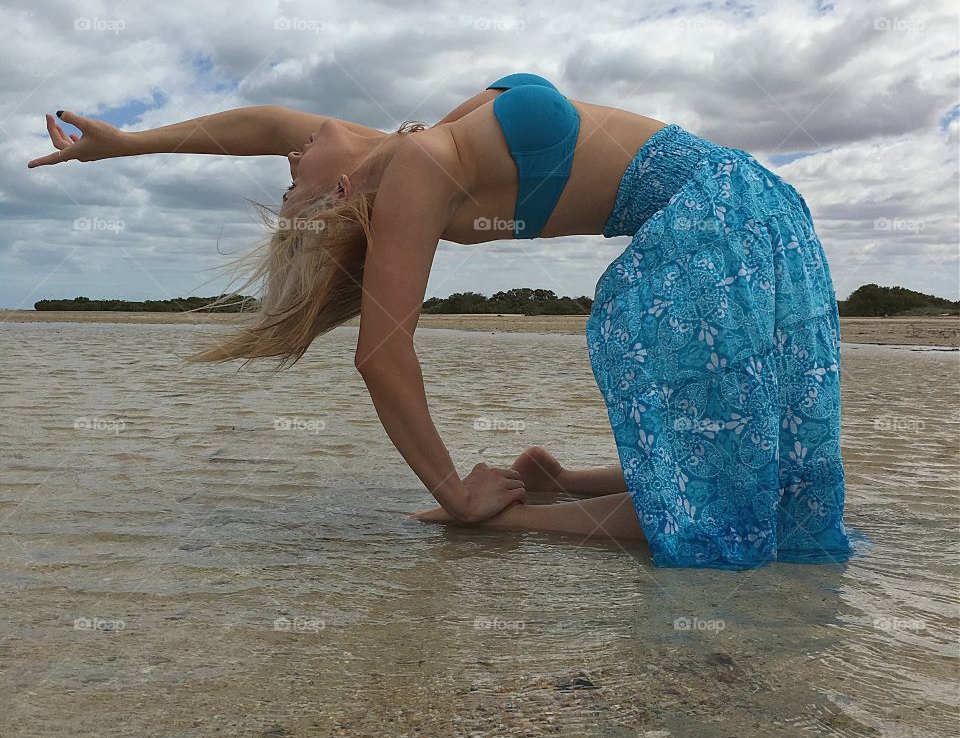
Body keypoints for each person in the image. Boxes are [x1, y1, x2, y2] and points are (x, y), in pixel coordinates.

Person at [31, 72, 853, 568]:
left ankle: (557, 483)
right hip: (714, 225)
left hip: (749, 204)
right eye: (292, 188)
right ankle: (511, 516)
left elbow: (267, 124)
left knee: (766, 476)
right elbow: (381, 356)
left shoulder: (398, 144)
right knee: (726, 514)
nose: (286, 161)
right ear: (343, 195)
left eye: (284, 178)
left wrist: (126, 144)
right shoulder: (419, 173)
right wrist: (454, 491)